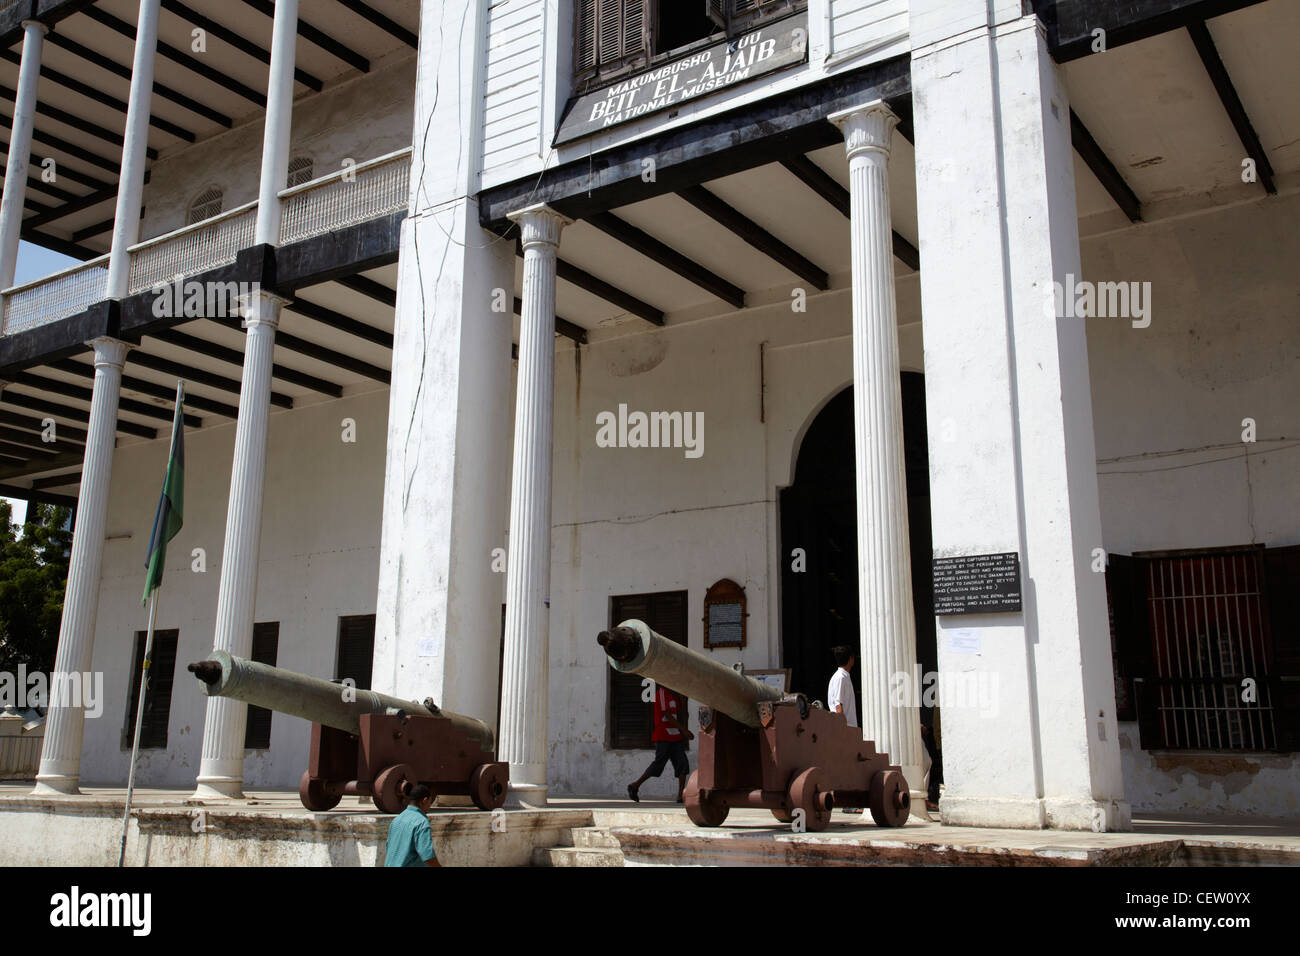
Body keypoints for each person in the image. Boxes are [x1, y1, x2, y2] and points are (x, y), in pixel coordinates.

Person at [627, 684, 693, 803]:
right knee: (659, 764)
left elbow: (679, 715)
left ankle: (680, 796)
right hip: (663, 736)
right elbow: (667, 715)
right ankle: (635, 785)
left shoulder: (675, 696)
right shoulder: (661, 693)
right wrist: (684, 730)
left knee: (682, 764)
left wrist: (683, 702)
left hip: (675, 736)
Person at [827, 645, 863, 814]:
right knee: (849, 765)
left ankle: (847, 801)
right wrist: (843, 729)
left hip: (846, 726)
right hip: (846, 727)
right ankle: (848, 803)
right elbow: (838, 704)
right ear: (850, 660)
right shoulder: (841, 678)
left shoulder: (840, 677)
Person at [384, 783, 441, 867]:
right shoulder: (421, 822)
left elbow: (389, 847)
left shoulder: (397, 819)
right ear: (424, 801)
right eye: (430, 802)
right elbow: (427, 855)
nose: (430, 806)